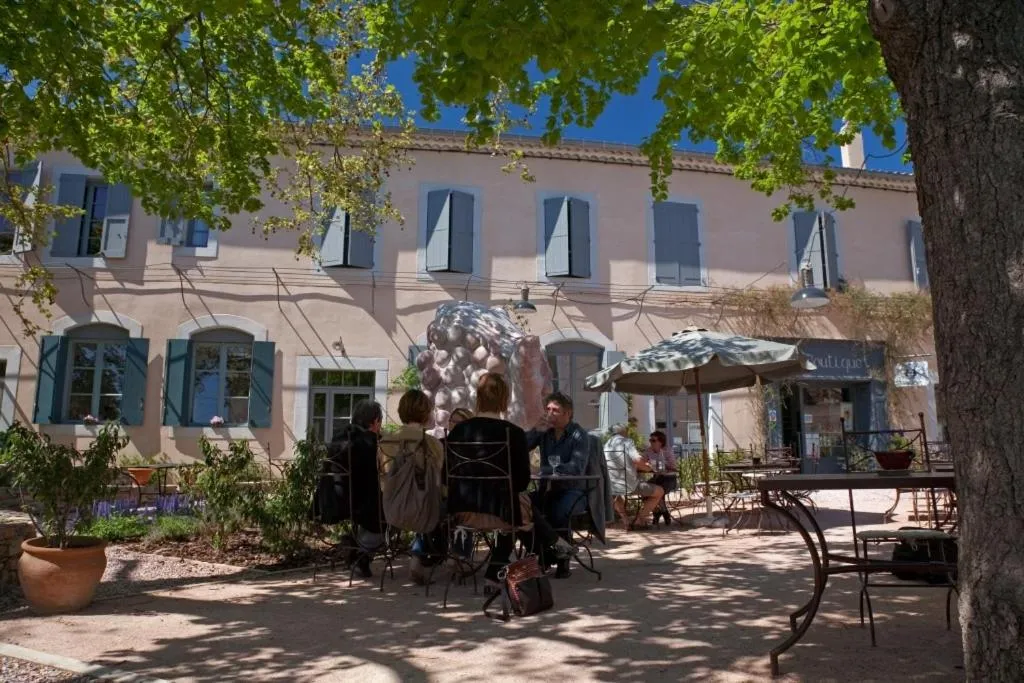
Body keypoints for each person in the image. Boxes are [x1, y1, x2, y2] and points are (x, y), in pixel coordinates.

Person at [447, 374, 574, 588]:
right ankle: (503, 570)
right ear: (505, 399)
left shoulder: (458, 431)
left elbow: (446, 475)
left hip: (461, 512)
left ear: (477, 397)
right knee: (515, 510)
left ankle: (550, 549)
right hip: (502, 512)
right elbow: (522, 482)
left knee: (515, 507)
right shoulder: (512, 433)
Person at [377, 389, 445, 585]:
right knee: (443, 504)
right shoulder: (433, 444)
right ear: (426, 413)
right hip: (424, 510)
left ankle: (419, 552)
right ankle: (424, 556)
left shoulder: (385, 441)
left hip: (391, 507)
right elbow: (436, 481)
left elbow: (382, 475)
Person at [326, 400, 385, 578]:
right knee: (388, 512)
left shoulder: (339, 436)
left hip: (334, 499)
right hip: (359, 503)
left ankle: (353, 542)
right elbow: (376, 476)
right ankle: (362, 554)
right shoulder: (370, 442)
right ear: (375, 421)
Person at [527, 392, 591, 544]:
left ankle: (563, 556)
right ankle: (541, 551)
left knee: (557, 514)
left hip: (572, 491)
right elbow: (521, 446)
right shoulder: (544, 432)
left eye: (555, 410)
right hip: (546, 490)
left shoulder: (578, 435)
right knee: (520, 507)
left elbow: (576, 468)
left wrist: (544, 470)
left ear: (567, 413)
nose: (550, 414)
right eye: (547, 409)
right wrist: (535, 430)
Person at [604, 424, 664, 530]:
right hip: (629, 485)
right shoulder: (627, 442)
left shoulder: (607, 444)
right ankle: (639, 520)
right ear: (624, 433)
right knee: (659, 491)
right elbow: (637, 460)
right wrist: (649, 468)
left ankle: (626, 521)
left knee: (616, 494)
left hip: (611, 484)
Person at [645, 430, 678, 525]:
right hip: (657, 477)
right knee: (644, 490)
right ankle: (661, 512)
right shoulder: (648, 451)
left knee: (657, 491)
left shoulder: (667, 450)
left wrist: (663, 463)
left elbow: (673, 467)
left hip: (669, 478)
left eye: (653, 440)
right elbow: (642, 461)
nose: (651, 442)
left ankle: (658, 513)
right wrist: (646, 463)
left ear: (661, 442)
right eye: (650, 440)